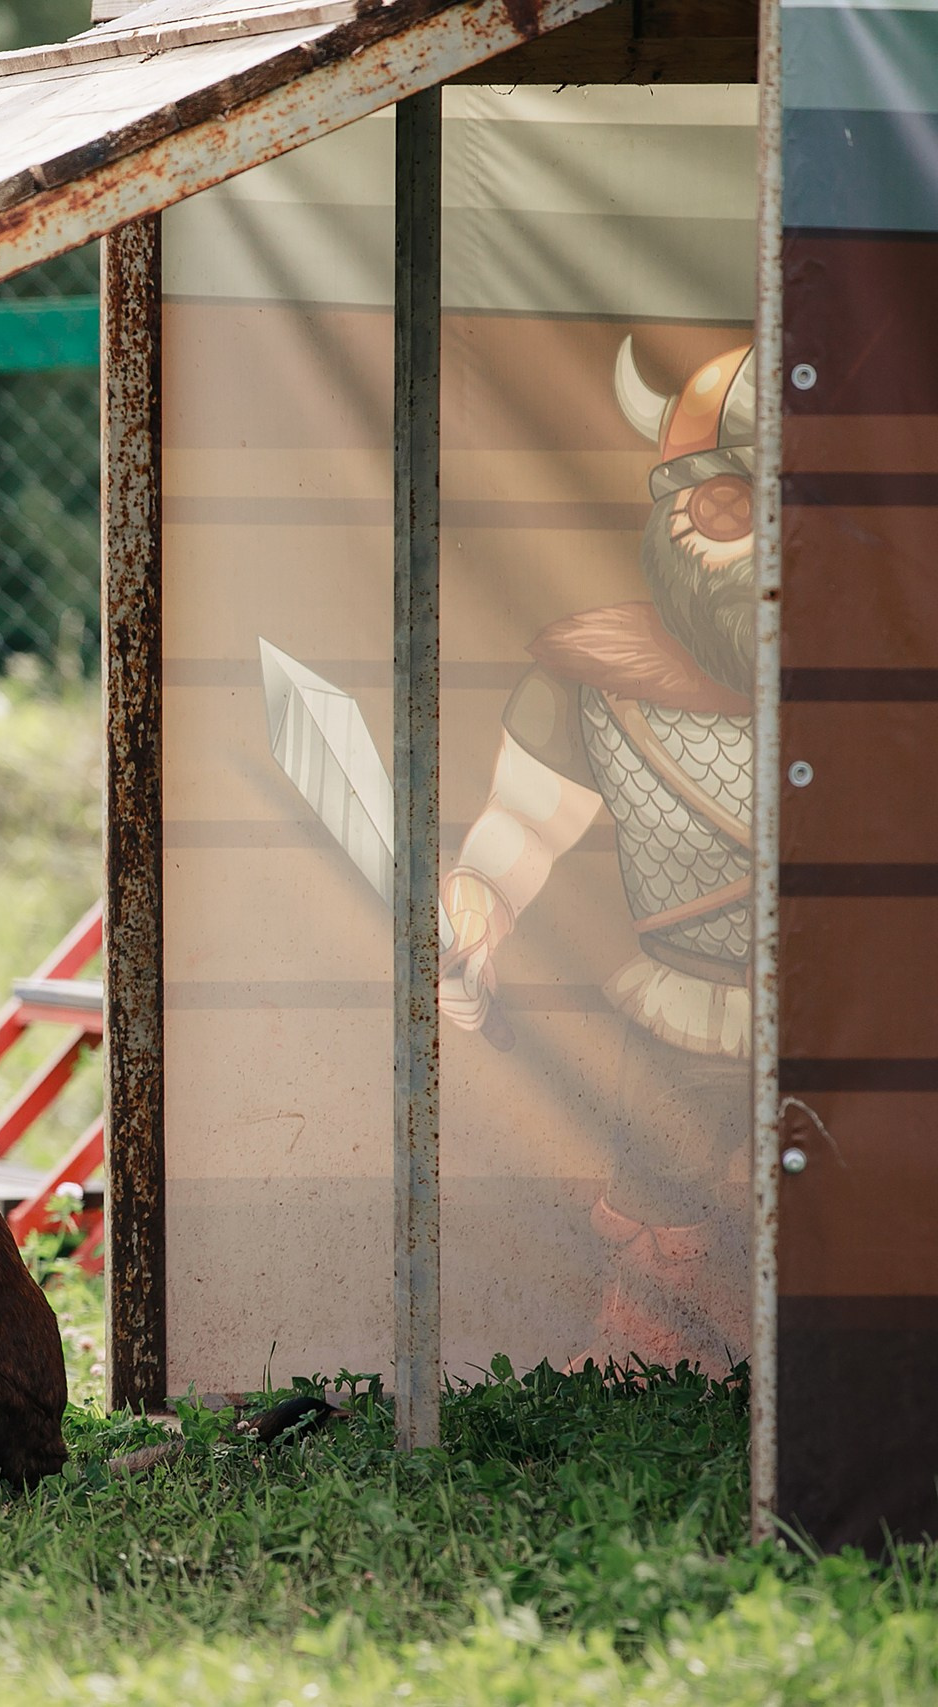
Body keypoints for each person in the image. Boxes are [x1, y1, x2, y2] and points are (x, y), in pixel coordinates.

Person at [440, 338, 757, 1372]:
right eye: (735, 507)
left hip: (868, 1022)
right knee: (658, 1226)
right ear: (677, 506)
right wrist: (475, 910)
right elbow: (519, 831)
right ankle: (653, 1397)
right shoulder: (597, 687)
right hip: (687, 1018)